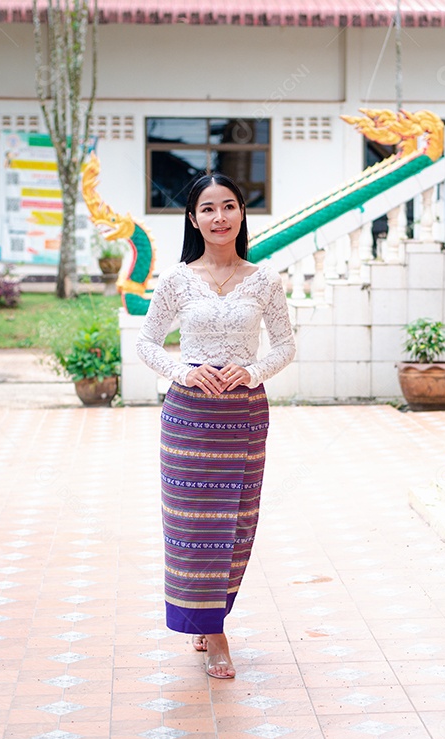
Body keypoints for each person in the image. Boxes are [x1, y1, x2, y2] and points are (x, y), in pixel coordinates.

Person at [136, 173, 296, 679]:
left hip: (243, 417)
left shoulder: (265, 280)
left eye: (229, 206)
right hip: (189, 419)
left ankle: (212, 616)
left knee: (234, 525)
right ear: (193, 219)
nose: (219, 217)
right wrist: (184, 371)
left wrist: (251, 372)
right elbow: (146, 343)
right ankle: (213, 629)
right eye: (208, 209)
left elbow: (286, 345)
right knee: (192, 528)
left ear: (242, 214)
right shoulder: (176, 281)